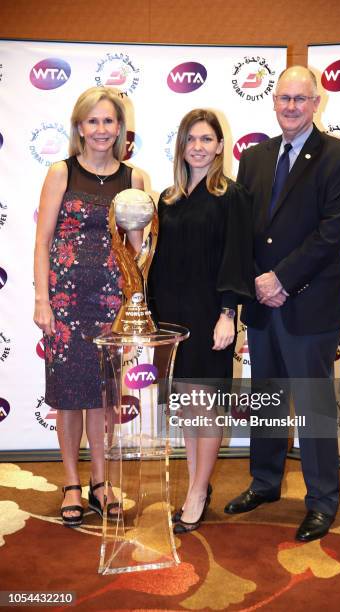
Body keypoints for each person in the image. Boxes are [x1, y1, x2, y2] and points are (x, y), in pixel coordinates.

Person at [224, 66, 340, 542]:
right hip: (263, 304)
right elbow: (246, 229)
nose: (291, 106)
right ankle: (264, 483)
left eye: (300, 99)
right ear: (274, 100)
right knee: (266, 400)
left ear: (317, 102)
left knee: (313, 406)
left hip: (310, 304)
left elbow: (331, 233)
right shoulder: (256, 157)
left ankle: (323, 501)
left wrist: (281, 279)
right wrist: (256, 284)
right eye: (284, 97)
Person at [33, 86, 144, 527]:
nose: (101, 129)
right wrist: (42, 300)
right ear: (80, 127)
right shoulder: (61, 172)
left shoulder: (133, 179)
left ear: (120, 128)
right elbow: (42, 243)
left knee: (104, 397)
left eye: (109, 121)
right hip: (64, 303)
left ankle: (102, 483)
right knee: (68, 399)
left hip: (110, 307)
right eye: (93, 121)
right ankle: (72, 484)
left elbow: (137, 251)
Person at [149, 109, 253, 534]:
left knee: (206, 407)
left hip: (211, 315)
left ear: (220, 146)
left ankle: (196, 493)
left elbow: (237, 256)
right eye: (190, 138)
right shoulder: (168, 198)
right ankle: (198, 484)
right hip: (171, 317)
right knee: (188, 408)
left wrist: (228, 313)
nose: (197, 146)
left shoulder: (232, 195)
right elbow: (156, 259)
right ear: (181, 145)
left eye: (206, 138)